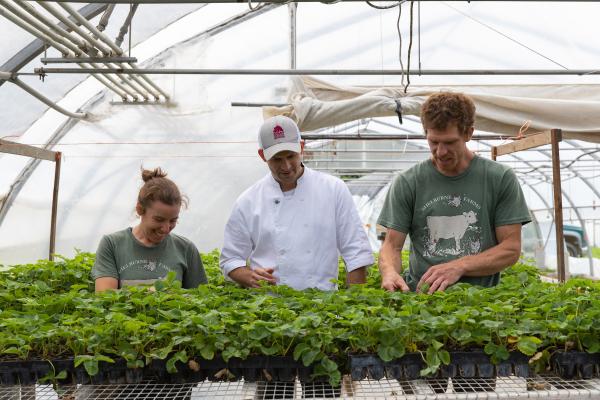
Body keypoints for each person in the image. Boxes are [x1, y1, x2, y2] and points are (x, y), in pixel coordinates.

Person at [378, 92, 531, 294]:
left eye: (449, 142)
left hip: (482, 303)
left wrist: (459, 266)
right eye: (433, 141)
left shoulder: (499, 178)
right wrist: (389, 272)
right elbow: (392, 246)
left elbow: (510, 248)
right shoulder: (409, 182)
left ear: (468, 133)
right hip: (421, 300)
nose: (440, 151)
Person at [220, 115, 374, 290]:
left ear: (301, 147)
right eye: (277, 159)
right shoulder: (248, 201)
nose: (286, 166)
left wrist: (354, 303)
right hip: (267, 306)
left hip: (323, 305)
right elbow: (230, 259)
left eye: (291, 156)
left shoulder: (333, 189)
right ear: (262, 155)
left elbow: (356, 252)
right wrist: (247, 275)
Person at [93, 167, 207, 291]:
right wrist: (156, 292)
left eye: (173, 220)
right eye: (159, 219)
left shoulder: (185, 248)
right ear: (140, 209)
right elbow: (104, 297)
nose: (165, 228)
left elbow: (201, 296)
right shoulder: (112, 244)